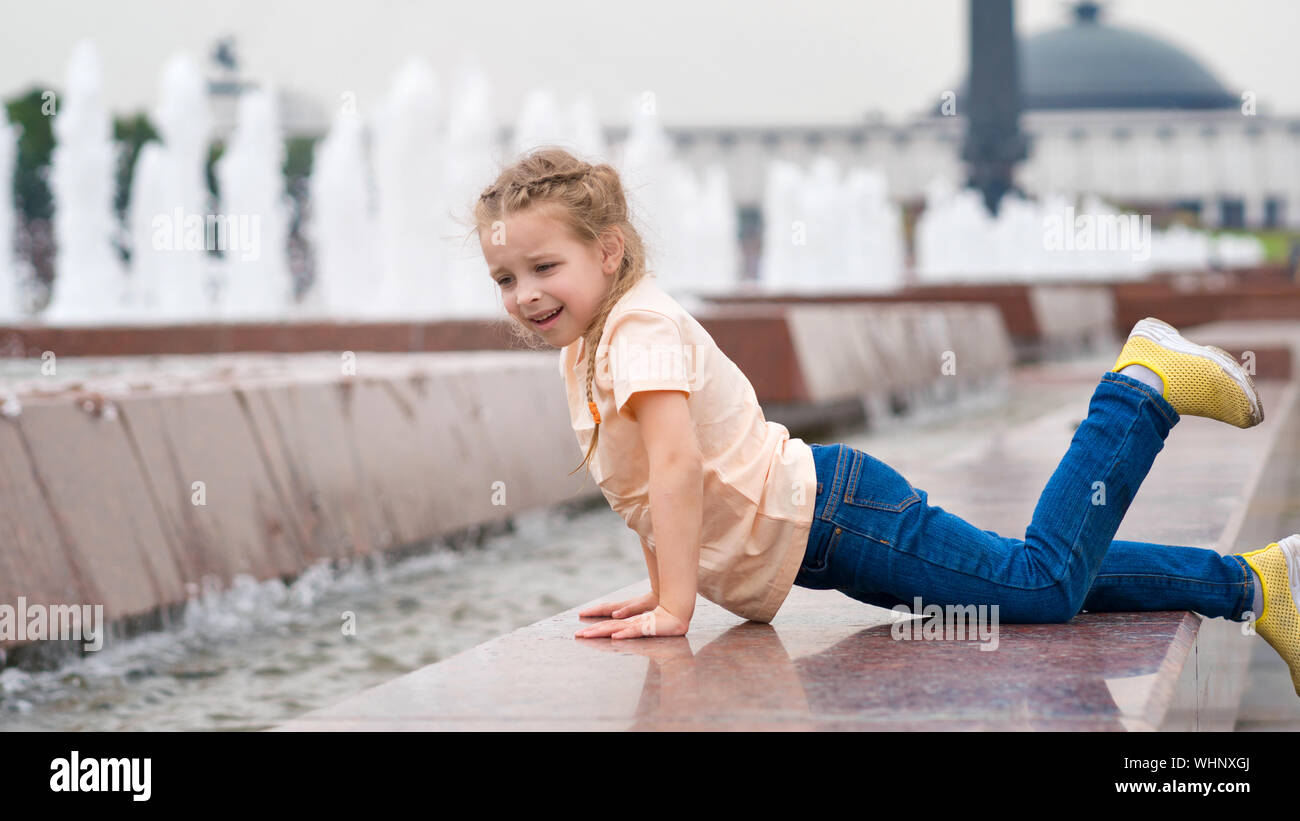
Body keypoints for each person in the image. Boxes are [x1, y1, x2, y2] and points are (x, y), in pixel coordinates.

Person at [470, 146, 1300, 698]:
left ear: (608, 252)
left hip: (839, 519)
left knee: (1040, 587)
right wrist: (659, 584)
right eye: (505, 276)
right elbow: (651, 487)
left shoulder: (637, 329)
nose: (526, 293)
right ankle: (1256, 583)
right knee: (1034, 574)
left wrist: (678, 604)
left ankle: (1140, 391)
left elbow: (678, 465)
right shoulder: (586, 348)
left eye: (546, 266)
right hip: (829, 529)